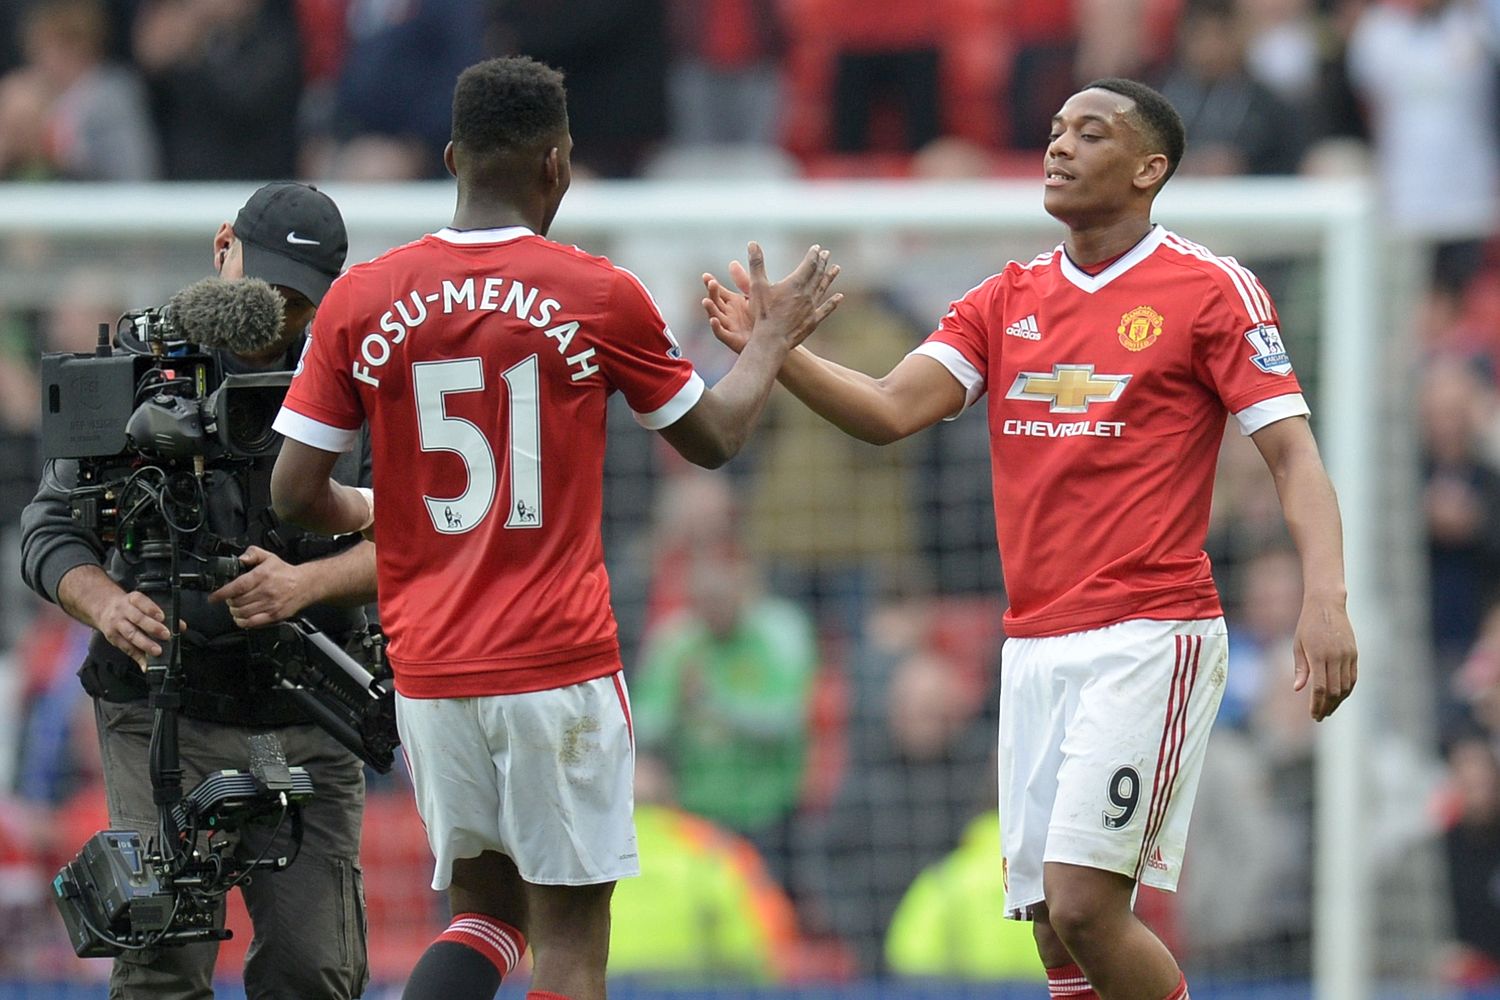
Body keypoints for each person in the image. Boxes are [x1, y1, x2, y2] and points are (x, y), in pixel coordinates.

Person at [703, 77, 1358, 1000]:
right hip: (1036, 643)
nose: (1058, 146)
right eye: (1054, 130)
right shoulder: (1005, 297)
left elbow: (1294, 457)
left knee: (1088, 905)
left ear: (1148, 168)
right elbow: (891, 409)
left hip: (1148, 633)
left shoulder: (1209, 288)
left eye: (1091, 134)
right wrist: (775, 352)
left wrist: (1324, 598)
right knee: (1055, 930)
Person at [267, 56, 840, 1000]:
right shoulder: (597, 293)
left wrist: (392, 517)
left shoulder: (364, 298)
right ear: (559, 165)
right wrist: (771, 342)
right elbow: (714, 439)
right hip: (554, 664)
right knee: (570, 945)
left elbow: (295, 492)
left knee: (484, 917)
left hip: (432, 670)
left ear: (452, 157)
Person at [20, 181, 375, 999]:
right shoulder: (134, 373)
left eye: (296, 302)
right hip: (162, 710)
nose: (275, 314)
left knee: (315, 971)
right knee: (160, 966)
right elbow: (48, 530)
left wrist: (306, 582)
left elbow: (424, 545)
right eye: (264, 286)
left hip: (308, 708)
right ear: (223, 249)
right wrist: (102, 601)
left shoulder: (364, 379)